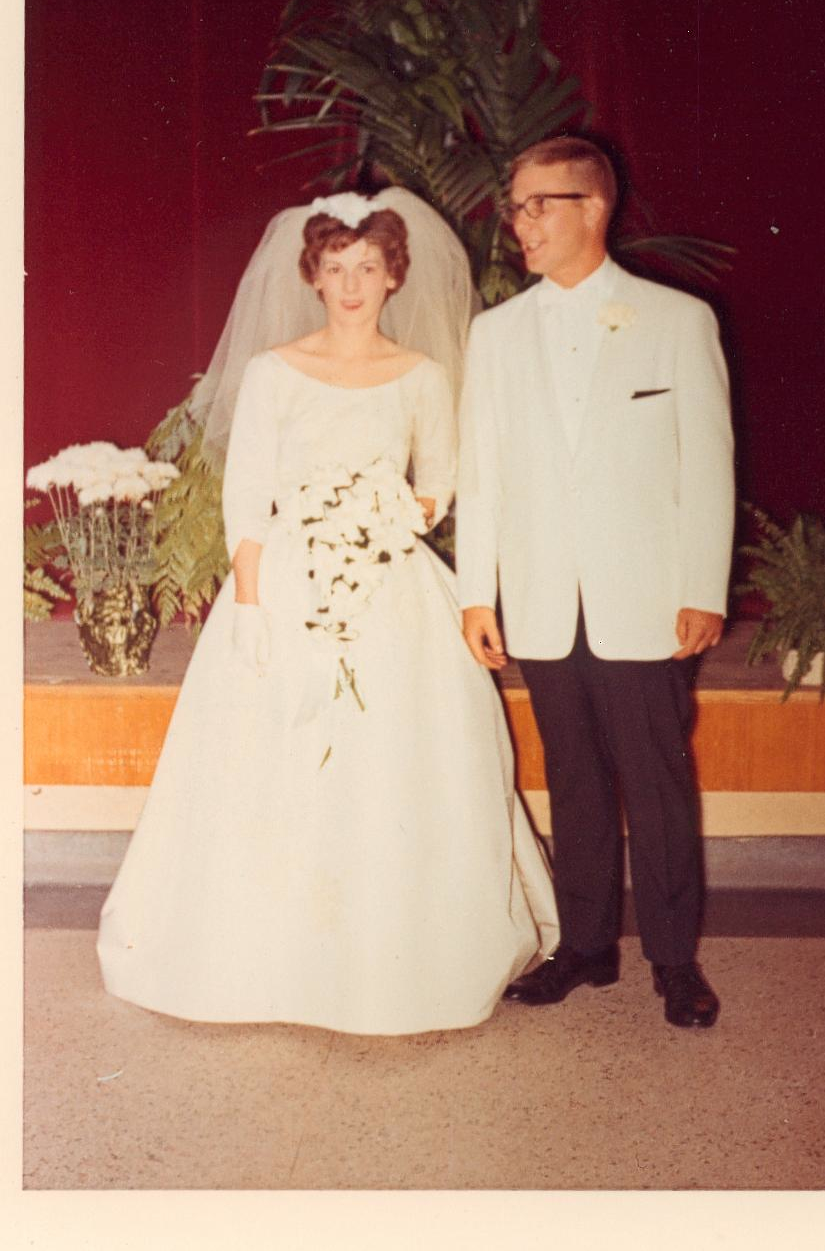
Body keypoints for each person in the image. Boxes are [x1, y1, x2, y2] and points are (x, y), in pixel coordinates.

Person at [97, 189, 558, 1035]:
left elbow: (438, 482)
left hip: (391, 583)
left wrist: (384, 516)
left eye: (369, 268)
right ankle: (266, 957)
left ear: (393, 277)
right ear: (313, 276)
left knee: (391, 762)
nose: (352, 284)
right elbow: (247, 491)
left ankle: (392, 953)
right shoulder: (274, 371)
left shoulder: (422, 376)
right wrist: (249, 603)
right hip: (285, 580)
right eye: (337, 268)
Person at [456, 136, 735, 1028]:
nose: (521, 222)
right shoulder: (494, 334)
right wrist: (476, 594)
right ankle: (584, 949)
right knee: (571, 778)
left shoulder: (676, 319)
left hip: (645, 599)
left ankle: (673, 959)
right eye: (516, 206)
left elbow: (709, 466)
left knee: (655, 780)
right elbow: (482, 471)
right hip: (541, 600)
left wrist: (703, 586)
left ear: (595, 207)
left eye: (540, 203)